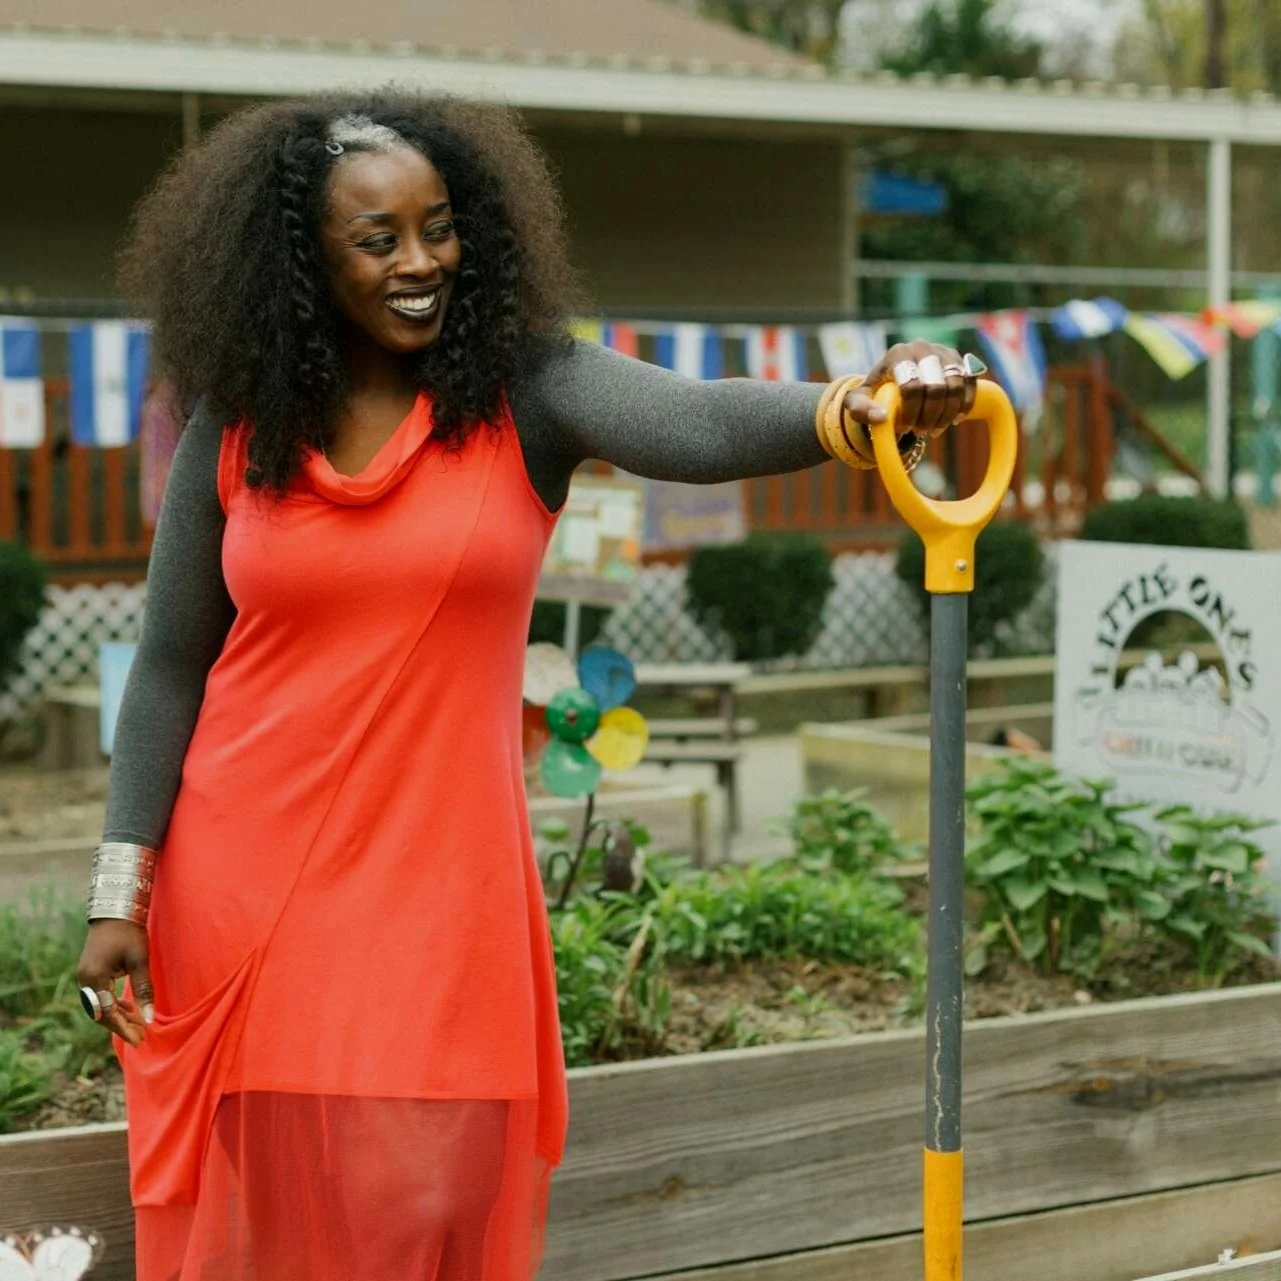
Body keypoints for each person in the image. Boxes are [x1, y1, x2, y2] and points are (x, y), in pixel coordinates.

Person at [73, 89, 981, 1281]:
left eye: (439, 227)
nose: (420, 263)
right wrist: (118, 887)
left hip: (435, 897)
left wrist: (857, 408)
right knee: (271, 1219)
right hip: (241, 887)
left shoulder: (525, 389)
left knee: (421, 1199)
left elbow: (700, 421)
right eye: (378, 238)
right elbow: (171, 665)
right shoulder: (240, 428)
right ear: (302, 261)